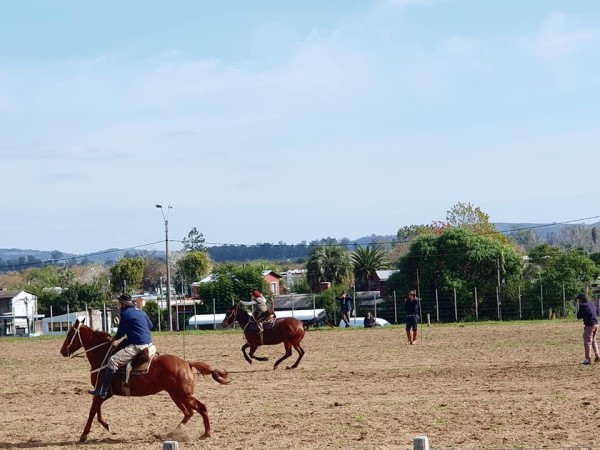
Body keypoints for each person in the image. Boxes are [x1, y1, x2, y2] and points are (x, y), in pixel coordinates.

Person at [88, 293, 153, 398]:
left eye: (119, 303)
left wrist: (113, 339)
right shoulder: (141, 312)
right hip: (149, 344)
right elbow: (150, 325)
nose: (118, 305)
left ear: (124, 304)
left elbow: (121, 333)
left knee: (112, 361)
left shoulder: (125, 314)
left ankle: (103, 390)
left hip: (137, 346)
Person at [575, 293, 600, 365]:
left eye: (578, 299)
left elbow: (578, 316)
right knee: (593, 341)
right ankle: (598, 356)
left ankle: (587, 359)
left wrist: (579, 308)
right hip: (596, 324)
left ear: (581, 299)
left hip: (589, 325)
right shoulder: (591, 303)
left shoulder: (582, 305)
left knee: (587, 342)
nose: (578, 301)